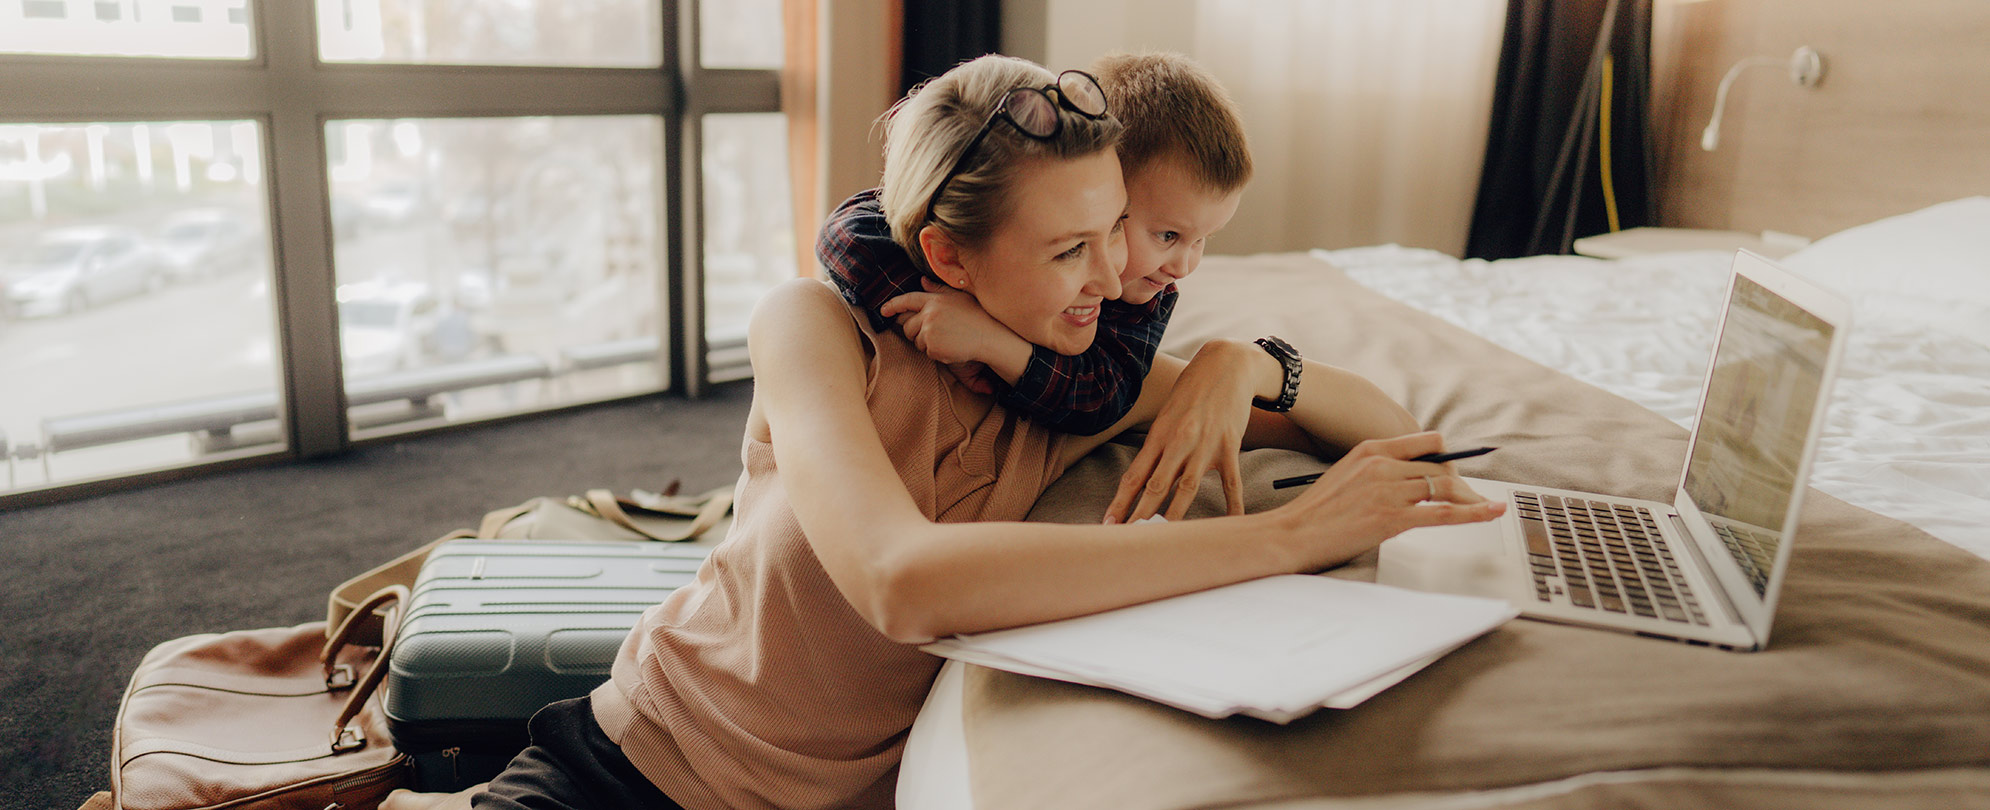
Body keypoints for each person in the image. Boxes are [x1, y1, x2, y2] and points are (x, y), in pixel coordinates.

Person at [386, 54, 1502, 810]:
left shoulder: (1080, 377)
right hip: (641, 768)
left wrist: (1243, 364)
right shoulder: (813, 327)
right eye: (1075, 248)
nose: (1119, 279)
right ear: (949, 258)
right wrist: (1283, 540)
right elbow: (900, 582)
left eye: (1117, 232)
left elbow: (1386, 430)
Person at [817, 51, 1253, 525]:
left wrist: (992, 344)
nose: (1184, 268)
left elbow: (1099, 398)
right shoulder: (827, 340)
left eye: (1113, 227)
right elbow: (852, 230)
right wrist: (936, 302)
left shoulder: (1139, 317)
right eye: (1070, 249)